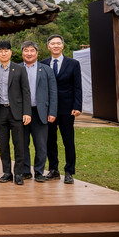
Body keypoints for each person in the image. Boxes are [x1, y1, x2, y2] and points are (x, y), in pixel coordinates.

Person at [41, 34, 82, 184]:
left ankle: (69, 171)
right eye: (53, 43)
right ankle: (53, 170)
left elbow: (78, 86)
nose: (56, 46)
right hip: (49, 109)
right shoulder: (43, 64)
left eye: (58, 43)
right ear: (48, 46)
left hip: (67, 108)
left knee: (68, 141)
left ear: (63, 46)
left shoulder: (73, 64)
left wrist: (77, 106)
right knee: (50, 140)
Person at [0, 40, 31, 185]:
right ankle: (7, 172)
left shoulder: (19, 69)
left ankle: (19, 173)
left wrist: (27, 112)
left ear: (11, 52)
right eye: (0, 51)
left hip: (16, 112)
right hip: (0, 111)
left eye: (6, 51)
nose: (3, 53)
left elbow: (26, 91)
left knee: (19, 144)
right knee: (3, 144)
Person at [21, 40, 57, 183]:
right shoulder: (17, 69)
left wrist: (52, 112)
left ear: (37, 53)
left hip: (40, 113)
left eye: (32, 50)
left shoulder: (46, 69)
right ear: (22, 52)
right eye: (26, 50)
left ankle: (39, 171)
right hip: (22, 112)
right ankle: (25, 171)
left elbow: (53, 92)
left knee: (41, 145)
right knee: (22, 144)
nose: (29, 53)